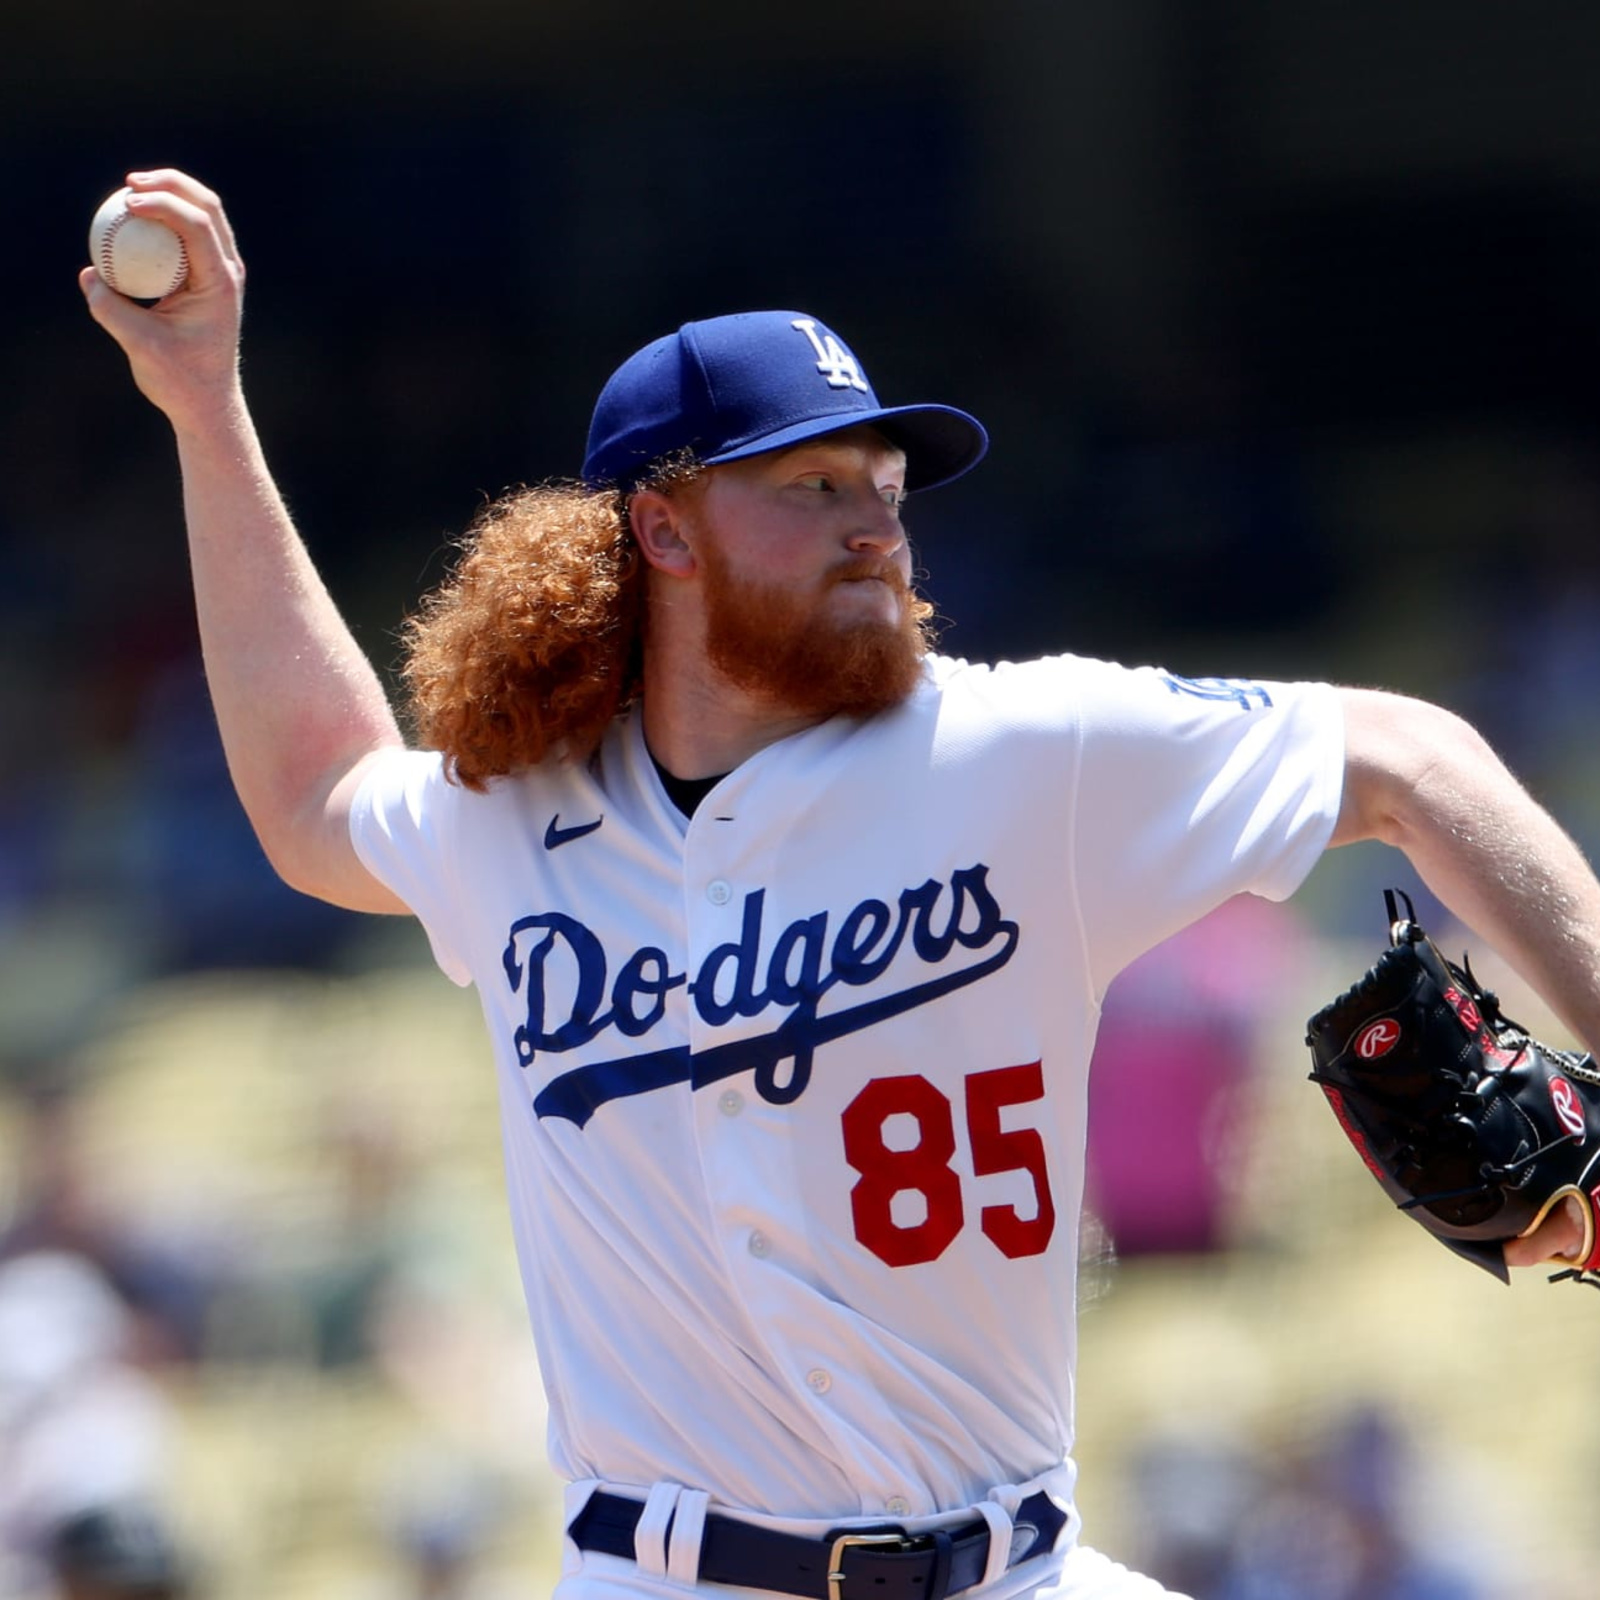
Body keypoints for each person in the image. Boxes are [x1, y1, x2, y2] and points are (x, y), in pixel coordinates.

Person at [81, 169, 1600, 1600]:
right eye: (810, 485)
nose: (875, 517)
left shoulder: (1023, 751)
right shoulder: (516, 818)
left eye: (884, 479)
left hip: (1014, 1562)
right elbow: (315, 797)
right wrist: (205, 407)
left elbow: (1414, 756)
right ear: (660, 530)